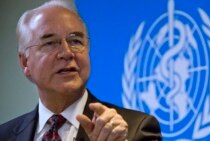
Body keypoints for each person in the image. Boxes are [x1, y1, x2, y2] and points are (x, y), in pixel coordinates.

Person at [0, 0, 162, 141]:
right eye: (50, 43)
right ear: (25, 62)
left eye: (75, 41)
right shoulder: (5, 135)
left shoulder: (134, 130)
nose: (67, 53)